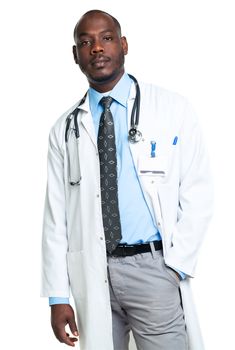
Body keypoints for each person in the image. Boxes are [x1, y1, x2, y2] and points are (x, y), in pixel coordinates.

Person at [41, 9, 213, 350]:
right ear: (75, 55)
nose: (96, 49)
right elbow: (55, 217)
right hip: (92, 272)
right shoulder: (64, 129)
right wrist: (58, 295)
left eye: (106, 38)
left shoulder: (172, 108)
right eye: (85, 42)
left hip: (153, 268)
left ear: (123, 44)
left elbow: (198, 191)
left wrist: (175, 266)